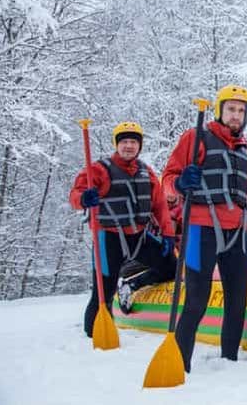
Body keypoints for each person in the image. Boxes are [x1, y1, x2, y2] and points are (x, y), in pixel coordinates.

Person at [162, 84, 247, 372]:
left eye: (241, 111)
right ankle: (180, 366)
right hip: (201, 230)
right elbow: (167, 177)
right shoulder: (196, 138)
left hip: (237, 234)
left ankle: (229, 362)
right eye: (231, 109)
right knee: (196, 300)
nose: (236, 115)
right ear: (220, 110)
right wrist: (180, 183)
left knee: (237, 302)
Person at [69, 121, 175, 337]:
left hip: (139, 236)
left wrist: (168, 234)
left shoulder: (146, 172)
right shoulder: (99, 170)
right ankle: (93, 336)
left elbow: (160, 205)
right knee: (102, 292)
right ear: (117, 144)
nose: (129, 146)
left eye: (134, 142)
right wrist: (83, 198)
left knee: (171, 268)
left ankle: (132, 284)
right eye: (124, 142)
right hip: (109, 238)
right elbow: (75, 195)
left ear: (139, 146)